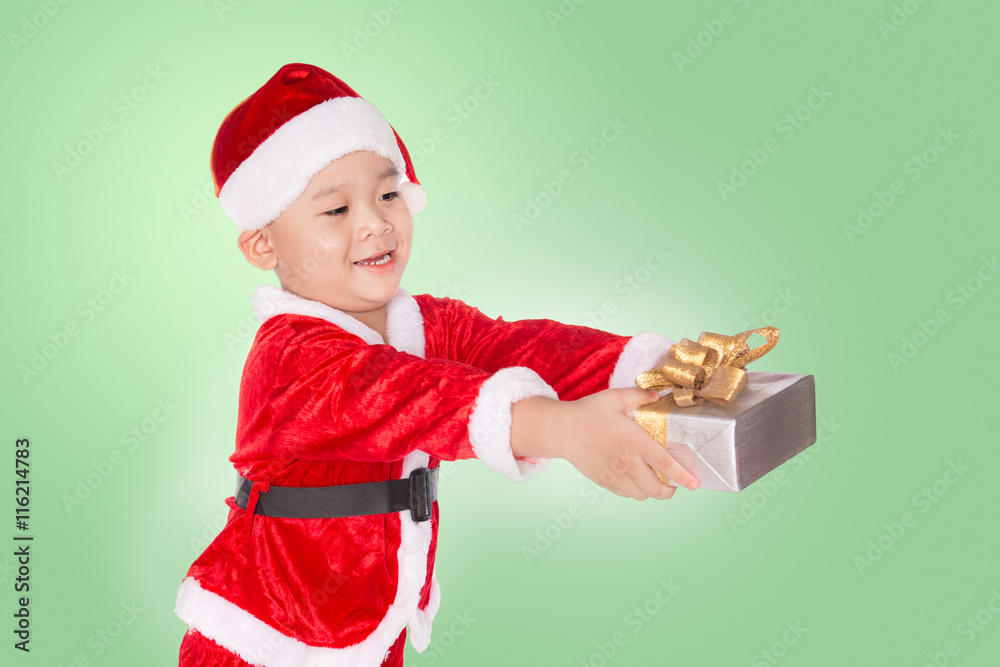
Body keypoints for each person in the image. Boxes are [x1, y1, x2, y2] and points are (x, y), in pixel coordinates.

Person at [174, 62, 699, 667]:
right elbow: (409, 397)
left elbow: (518, 347)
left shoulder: (425, 324)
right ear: (262, 244)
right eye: (336, 211)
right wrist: (565, 429)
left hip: (373, 626)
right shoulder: (291, 359)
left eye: (388, 194)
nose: (376, 222)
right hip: (266, 639)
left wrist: (663, 367)